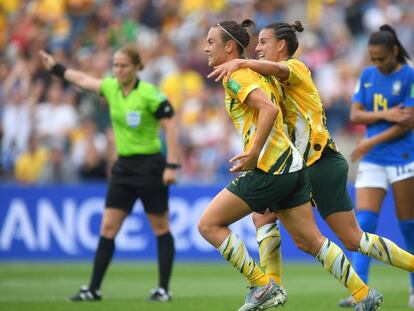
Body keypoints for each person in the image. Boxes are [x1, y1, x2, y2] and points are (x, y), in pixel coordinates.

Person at [208, 20, 414, 310]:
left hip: (319, 163)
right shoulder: (266, 78)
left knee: (352, 239)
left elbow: (278, 73)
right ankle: (273, 287)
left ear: (281, 45)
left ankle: (272, 287)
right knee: (266, 219)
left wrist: (241, 60)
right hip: (297, 164)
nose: (258, 48)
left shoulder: (295, 68)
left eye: (264, 43)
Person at [39, 45, 179, 302]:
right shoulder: (111, 87)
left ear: (137, 67)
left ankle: (163, 289)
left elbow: (171, 126)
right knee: (107, 227)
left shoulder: (150, 94)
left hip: (150, 167)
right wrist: (55, 67)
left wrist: (172, 165)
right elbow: (81, 79)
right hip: (124, 168)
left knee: (160, 227)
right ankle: (93, 289)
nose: (117, 70)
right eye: (115, 65)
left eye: (123, 65)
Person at [339, 25, 414, 308]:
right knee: (364, 225)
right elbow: (355, 114)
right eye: (373, 59)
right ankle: (360, 291)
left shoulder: (410, 76)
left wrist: (372, 139)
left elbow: (408, 122)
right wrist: (386, 114)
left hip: (403, 157)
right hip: (372, 160)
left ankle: (413, 287)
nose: (377, 64)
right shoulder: (368, 76)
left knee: (408, 226)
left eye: (381, 58)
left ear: (394, 52)